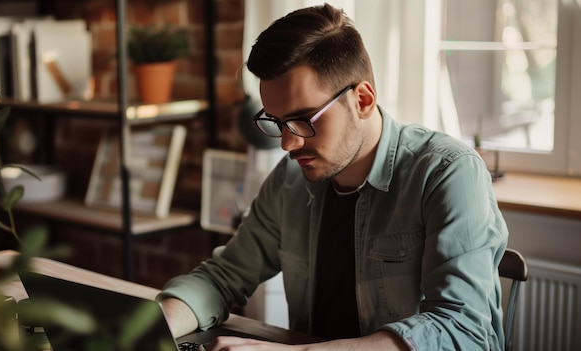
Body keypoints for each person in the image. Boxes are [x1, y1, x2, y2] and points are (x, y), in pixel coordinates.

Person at [157, 3, 508, 350]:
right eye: (277, 122)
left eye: (305, 119)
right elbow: (223, 277)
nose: (288, 143)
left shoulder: (447, 173)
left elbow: (462, 329)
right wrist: (147, 326)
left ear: (363, 100)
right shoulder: (290, 180)